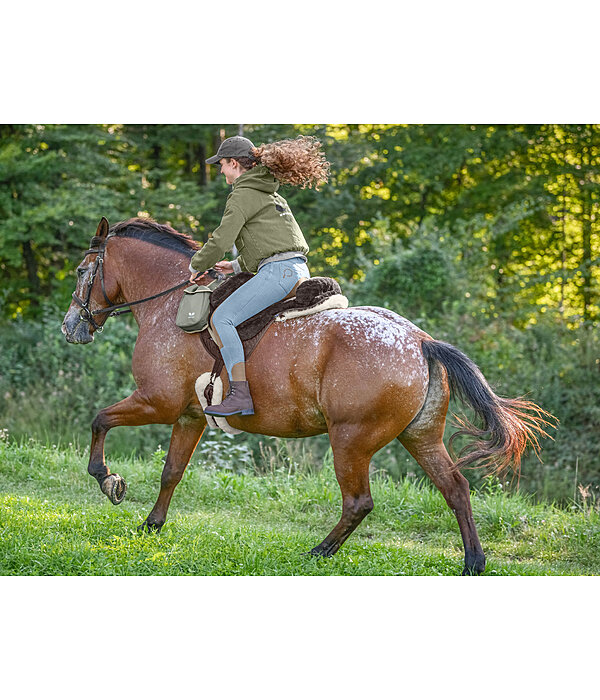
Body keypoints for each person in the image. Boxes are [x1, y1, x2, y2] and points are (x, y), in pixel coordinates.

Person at [189, 134, 330, 417]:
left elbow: (219, 240)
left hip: (278, 273)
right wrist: (236, 266)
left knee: (222, 319)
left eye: (222, 164)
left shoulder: (242, 193)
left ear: (233, 164)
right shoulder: (270, 193)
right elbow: (274, 242)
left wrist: (196, 265)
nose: (219, 170)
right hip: (296, 269)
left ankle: (239, 394)